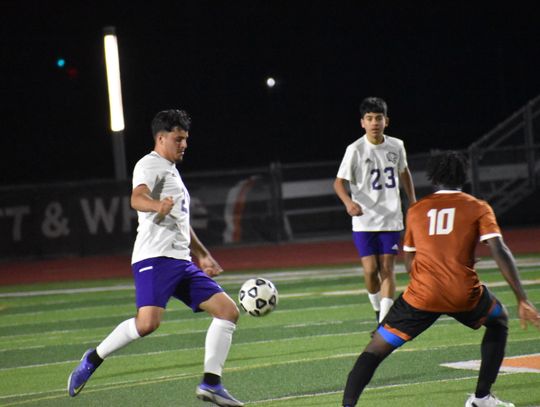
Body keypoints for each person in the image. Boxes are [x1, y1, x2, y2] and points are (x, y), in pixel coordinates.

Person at [67, 109, 244, 407]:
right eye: (178, 139)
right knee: (147, 324)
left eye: (186, 139)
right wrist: (154, 205)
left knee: (228, 311)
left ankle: (211, 384)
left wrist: (202, 254)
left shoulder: (172, 170)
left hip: (181, 261)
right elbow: (136, 197)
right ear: (161, 138)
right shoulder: (150, 164)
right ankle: (93, 358)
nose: (184, 144)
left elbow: (180, 222)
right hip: (155, 258)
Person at [342, 150, 540, 407]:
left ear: (434, 178)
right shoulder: (478, 207)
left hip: (422, 297)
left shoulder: (416, 210)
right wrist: (522, 298)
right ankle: (481, 398)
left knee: (374, 350)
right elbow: (499, 249)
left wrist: (431, 276)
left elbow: (410, 262)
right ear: (464, 176)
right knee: (499, 319)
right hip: (463, 294)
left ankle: (347, 405)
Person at [334, 97, 416, 329]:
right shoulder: (355, 149)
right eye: (369, 119)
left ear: (386, 121)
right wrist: (348, 202)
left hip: (391, 218)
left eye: (378, 118)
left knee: (387, 269)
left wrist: (413, 200)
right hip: (364, 220)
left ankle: (384, 322)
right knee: (371, 272)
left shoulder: (397, 146)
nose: (374, 122)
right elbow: (338, 183)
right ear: (362, 123)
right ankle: (378, 308)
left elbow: (404, 172)